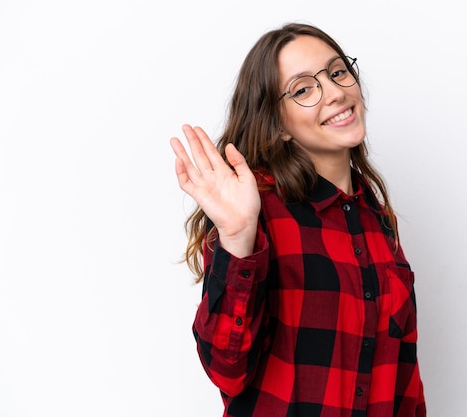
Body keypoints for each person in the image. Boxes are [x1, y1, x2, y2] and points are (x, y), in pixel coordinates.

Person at [170, 22, 426, 417]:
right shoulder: (254, 210)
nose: (337, 92)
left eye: (338, 72)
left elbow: (404, 384)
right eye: (304, 89)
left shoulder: (378, 221)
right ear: (279, 125)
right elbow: (227, 370)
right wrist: (237, 238)